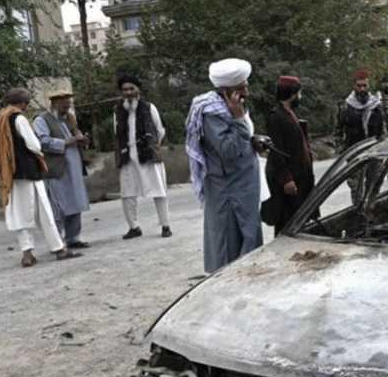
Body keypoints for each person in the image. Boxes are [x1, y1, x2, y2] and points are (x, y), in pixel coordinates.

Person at [185, 59, 263, 273]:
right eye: (242, 87)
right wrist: (238, 119)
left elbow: (241, 138)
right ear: (228, 91)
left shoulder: (233, 106)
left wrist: (253, 140)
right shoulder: (212, 114)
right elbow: (228, 151)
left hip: (243, 188)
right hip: (229, 192)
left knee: (248, 238)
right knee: (229, 244)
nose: (247, 90)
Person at [0, 88, 81, 267]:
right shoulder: (19, 118)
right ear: (23, 103)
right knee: (44, 212)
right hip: (29, 172)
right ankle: (59, 248)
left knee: (20, 214)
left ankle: (27, 253)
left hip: (10, 173)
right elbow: (34, 144)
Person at [114, 75, 172, 240]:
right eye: (125, 90)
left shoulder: (149, 107)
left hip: (148, 155)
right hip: (127, 157)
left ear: (138, 90)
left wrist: (154, 146)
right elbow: (116, 133)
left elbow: (160, 130)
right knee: (127, 193)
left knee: (159, 190)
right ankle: (134, 227)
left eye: (131, 89)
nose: (128, 92)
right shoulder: (118, 110)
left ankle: (165, 225)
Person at [33, 91, 91, 248]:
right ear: (54, 103)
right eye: (63, 104)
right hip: (56, 168)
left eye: (68, 104)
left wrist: (82, 140)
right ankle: (58, 241)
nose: (66, 107)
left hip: (74, 167)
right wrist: (69, 141)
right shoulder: (41, 120)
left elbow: (76, 135)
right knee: (58, 206)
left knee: (75, 202)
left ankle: (73, 238)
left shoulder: (70, 118)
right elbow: (42, 142)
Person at [263, 76, 315, 235]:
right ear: (292, 94)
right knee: (287, 222)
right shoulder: (276, 116)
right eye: (299, 93)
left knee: (301, 220)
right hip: (290, 180)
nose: (300, 97)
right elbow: (277, 151)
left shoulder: (290, 113)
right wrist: (287, 179)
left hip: (301, 176)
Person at [340, 70, 383, 204]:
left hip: (374, 151)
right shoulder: (346, 106)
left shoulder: (375, 105)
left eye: (364, 85)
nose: (362, 89)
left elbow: (382, 130)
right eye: (359, 86)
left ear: (368, 86)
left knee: (373, 186)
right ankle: (357, 213)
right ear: (354, 86)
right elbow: (338, 130)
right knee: (356, 188)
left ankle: (370, 211)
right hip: (354, 151)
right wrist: (343, 150)